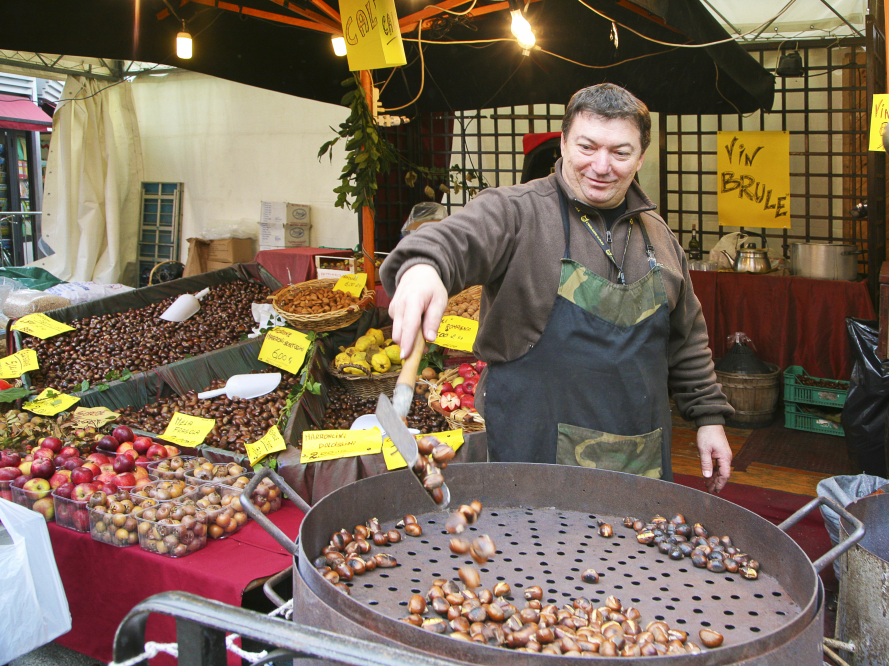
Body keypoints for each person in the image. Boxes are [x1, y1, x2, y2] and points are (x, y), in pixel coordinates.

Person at [381, 83, 734, 493]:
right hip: (532, 456)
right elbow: (455, 239)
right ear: (563, 143)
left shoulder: (659, 238)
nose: (602, 166)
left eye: (620, 153)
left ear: (639, 158)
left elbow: (686, 337)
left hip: (639, 461)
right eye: (587, 147)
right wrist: (425, 268)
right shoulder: (517, 212)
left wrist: (709, 417)